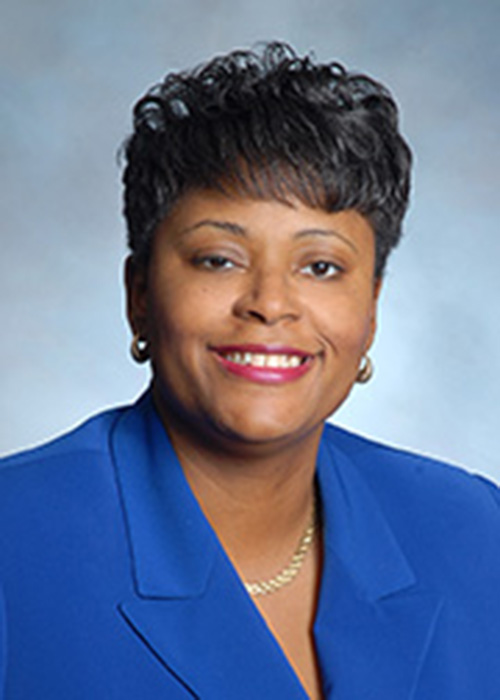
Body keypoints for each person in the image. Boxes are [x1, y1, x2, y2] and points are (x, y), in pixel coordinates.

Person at [0, 42, 499, 700]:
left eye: (320, 266)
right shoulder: (15, 546)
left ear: (371, 311)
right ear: (139, 295)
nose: (269, 303)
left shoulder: (475, 530)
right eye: (218, 259)